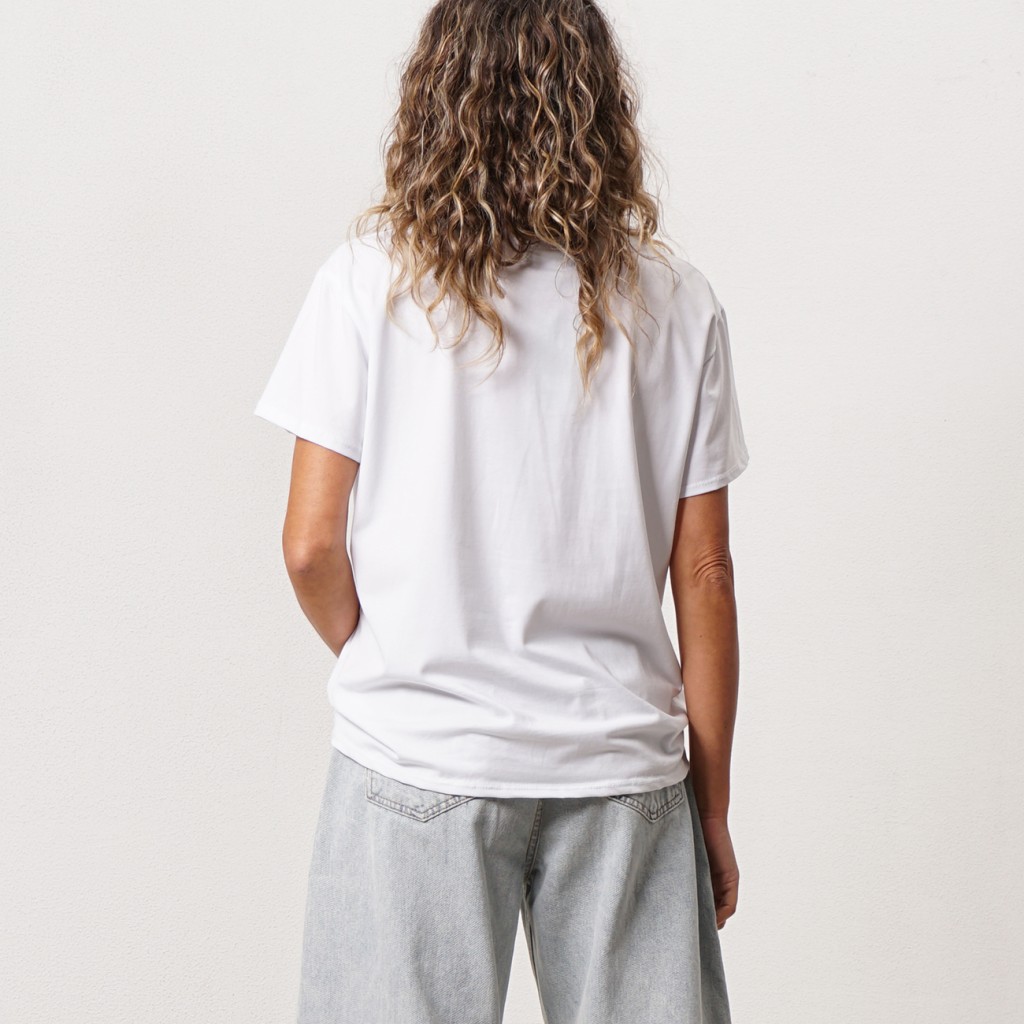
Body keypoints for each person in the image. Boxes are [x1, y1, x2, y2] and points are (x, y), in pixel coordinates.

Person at [254, 1, 749, 1021]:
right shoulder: (676, 301)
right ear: (599, 104)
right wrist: (710, 803)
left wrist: (395, 652)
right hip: (618, 764)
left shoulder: (366, 284)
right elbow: (704, 573)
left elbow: (308, 546)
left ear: (436, 96)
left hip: (415, 755)